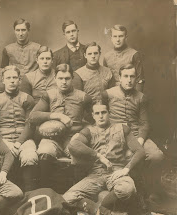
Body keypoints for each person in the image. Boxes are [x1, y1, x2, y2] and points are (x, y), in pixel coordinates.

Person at [63, 100, 146, 214]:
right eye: (97, 113)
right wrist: (99, 156)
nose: (100, 116)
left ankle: (99, 209)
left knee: (127, 189)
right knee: (67, 197)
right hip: (96, 175)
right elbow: (73, 145)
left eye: (104, 112)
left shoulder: (122, 128)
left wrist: (126, 169)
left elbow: (140, 151)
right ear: (93, 115)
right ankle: (102, 212)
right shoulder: (88, 131)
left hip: (116, 172)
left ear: (109, 113)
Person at [102, 64, 164, 201]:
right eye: (125, 76)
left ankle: (152, 189)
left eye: (132, 76)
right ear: (119, 78)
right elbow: (101, 117)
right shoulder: (108, 94)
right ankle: (123, 192)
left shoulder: (141, 97)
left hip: (136, 135)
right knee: (124, 155)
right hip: (116, 135)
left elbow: (144, 123)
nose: (129, 80)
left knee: (156, 156)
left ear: (136, 79)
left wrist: (140, 141)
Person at [28, 64, 92, 189]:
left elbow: (92, 122)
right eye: (60, 78)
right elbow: (33, 116)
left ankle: (76, 192)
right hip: (52, 139)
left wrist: (81, 135)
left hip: (74, 137)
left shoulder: (83, 97)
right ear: (55, 78)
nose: (64, 82)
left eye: (67, 78)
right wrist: (57, 116)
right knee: (44, 152)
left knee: (79, 153)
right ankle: (45, 190)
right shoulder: (49, 95)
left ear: (72, 78)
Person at [0, 65, 38, 191]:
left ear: (19, 80)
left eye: (15, 77)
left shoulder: (27, 99)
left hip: (24, 139)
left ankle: (28, 192)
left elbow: (30, 125)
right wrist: (5, 144)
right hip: (2, 139)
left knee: (30, 156)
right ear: (3, 80)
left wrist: (18, 143)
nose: (12, 80)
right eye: (8, 78)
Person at [103, 25, 145, 92]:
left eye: (120, 36)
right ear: (111, 38)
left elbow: (140, 80)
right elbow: (105, 80)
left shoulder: (134, 54)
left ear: (126, 38)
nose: (117, 40)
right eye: (115, 36)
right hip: (112, 95)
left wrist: (136, 100)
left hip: (130, 94)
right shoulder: (107, 56)